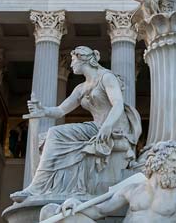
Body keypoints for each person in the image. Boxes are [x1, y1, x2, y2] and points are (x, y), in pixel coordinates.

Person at [10, 46, 141, 201]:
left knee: (54, 134)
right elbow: (60, 111)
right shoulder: (81, 88)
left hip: (113, 128)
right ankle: (42, 187)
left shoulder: (106, 77)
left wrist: (107, 126)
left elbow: (118, 103)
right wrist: (42, 110)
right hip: (95, 127)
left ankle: (37, 187)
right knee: (48, 136)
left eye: (73, 60)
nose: (71, 64)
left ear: (83, 59)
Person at [56, 142, 176, 223]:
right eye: (172, 161)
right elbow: (100, 211)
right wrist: (77, 204)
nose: (175, 166)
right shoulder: (132, 189)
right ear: (158, 162)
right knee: (51, 211)